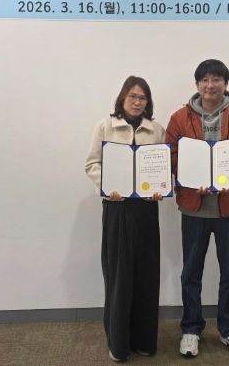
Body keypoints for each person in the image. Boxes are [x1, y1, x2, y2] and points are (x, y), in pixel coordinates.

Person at [165, 59, 229, 359]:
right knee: (190, 272)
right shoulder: (180, 117)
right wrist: (188, 177)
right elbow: (171, 153)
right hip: (193, 208)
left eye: (217, 79)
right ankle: (191, 329)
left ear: (225, 83)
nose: (211, 85)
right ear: (197, 84)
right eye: (205, 80)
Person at [85, 76, 166, 362]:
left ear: (148, 102)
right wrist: (107, 185)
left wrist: (160, 188)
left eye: (142, 97)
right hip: (117, 209)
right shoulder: (105, 126)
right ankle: (118, 343)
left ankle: (144, 340)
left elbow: (163, 167)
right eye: (132, 96)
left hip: (146, 211)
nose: (137, 102)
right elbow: (92, 164)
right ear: (122, 98)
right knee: (119, 276)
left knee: (146, 276)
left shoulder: (156, 130)